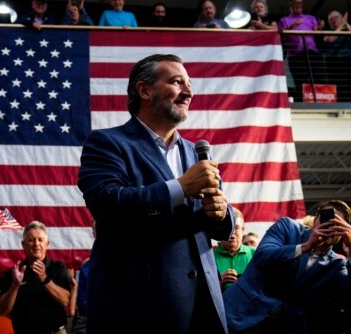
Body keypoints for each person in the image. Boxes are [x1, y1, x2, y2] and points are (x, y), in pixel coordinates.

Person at [78, 54, 235, 334]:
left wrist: (222, 214)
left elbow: (220, 224)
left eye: (189, 83)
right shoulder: (108, 142)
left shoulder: (194, 153)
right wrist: (180, 188)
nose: (189, 91)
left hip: (204, 304)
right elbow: (106, 202)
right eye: (177, 82)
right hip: (139, 308)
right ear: (144, 90)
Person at [224, 200, 351, 333]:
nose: (329, 225)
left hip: (285, 326)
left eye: (337, 224)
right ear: (315, 220)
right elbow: (262, 257)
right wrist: (306, 246)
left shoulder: (335, 265)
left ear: (343, 233)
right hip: (240, 315)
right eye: (326, 218)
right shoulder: (287, 227)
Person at [0, 221, 71, 334]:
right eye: (31, 240)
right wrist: (15, 286)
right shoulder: (14, 273)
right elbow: (2, 310)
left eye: (40, 240)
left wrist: (44, 279)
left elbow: (67, 302)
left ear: (47, 244)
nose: (36, 244)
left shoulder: (58, 268)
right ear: (23, 244)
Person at [279, 0, 326, 101]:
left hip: (312, 52)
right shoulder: (284, 20)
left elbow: (316, 33)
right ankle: (304, 104)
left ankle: (322, 103)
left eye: (301, 3)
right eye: (296, 3)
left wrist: (320, 27)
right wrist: (292, 26)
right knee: (300, 80)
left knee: (319, 77)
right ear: (290, 5)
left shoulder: (310, 18)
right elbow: (282, 36)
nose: (299, 5)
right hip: (295, 55)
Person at [323, 10, 351, 101]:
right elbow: (330, 39)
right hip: (335, 64)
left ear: (341, 18)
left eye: (336, 17)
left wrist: (346, 24)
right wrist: (342, 25)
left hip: (350, 62)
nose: (333, 20)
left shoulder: (348, 30)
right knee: (340, 88)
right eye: (331, 19)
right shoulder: (328, 32)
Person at [214, 208, 255, 291]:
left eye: (236, 227)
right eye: (227, 227)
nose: (232, 233)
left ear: (243, 230)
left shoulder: (256, 255)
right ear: (219, 231)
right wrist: (217, 282)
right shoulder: (207, 258)